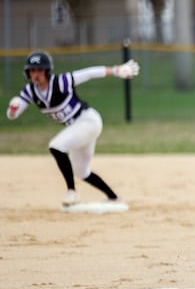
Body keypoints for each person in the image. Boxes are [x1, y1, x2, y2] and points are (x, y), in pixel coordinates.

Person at [6, 51, 140, 207]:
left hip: (88, 121)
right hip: (78, 128)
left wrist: (117, 70)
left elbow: (89, 73)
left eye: (40, 70)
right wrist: (13, 109)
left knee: (56, 146)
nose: (36, 74)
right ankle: (114, 198)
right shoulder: (30, 91)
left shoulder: (61, 82)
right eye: (32, 70)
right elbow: (12, 115)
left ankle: (71, 191)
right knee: (81, 171)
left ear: (47, 71)